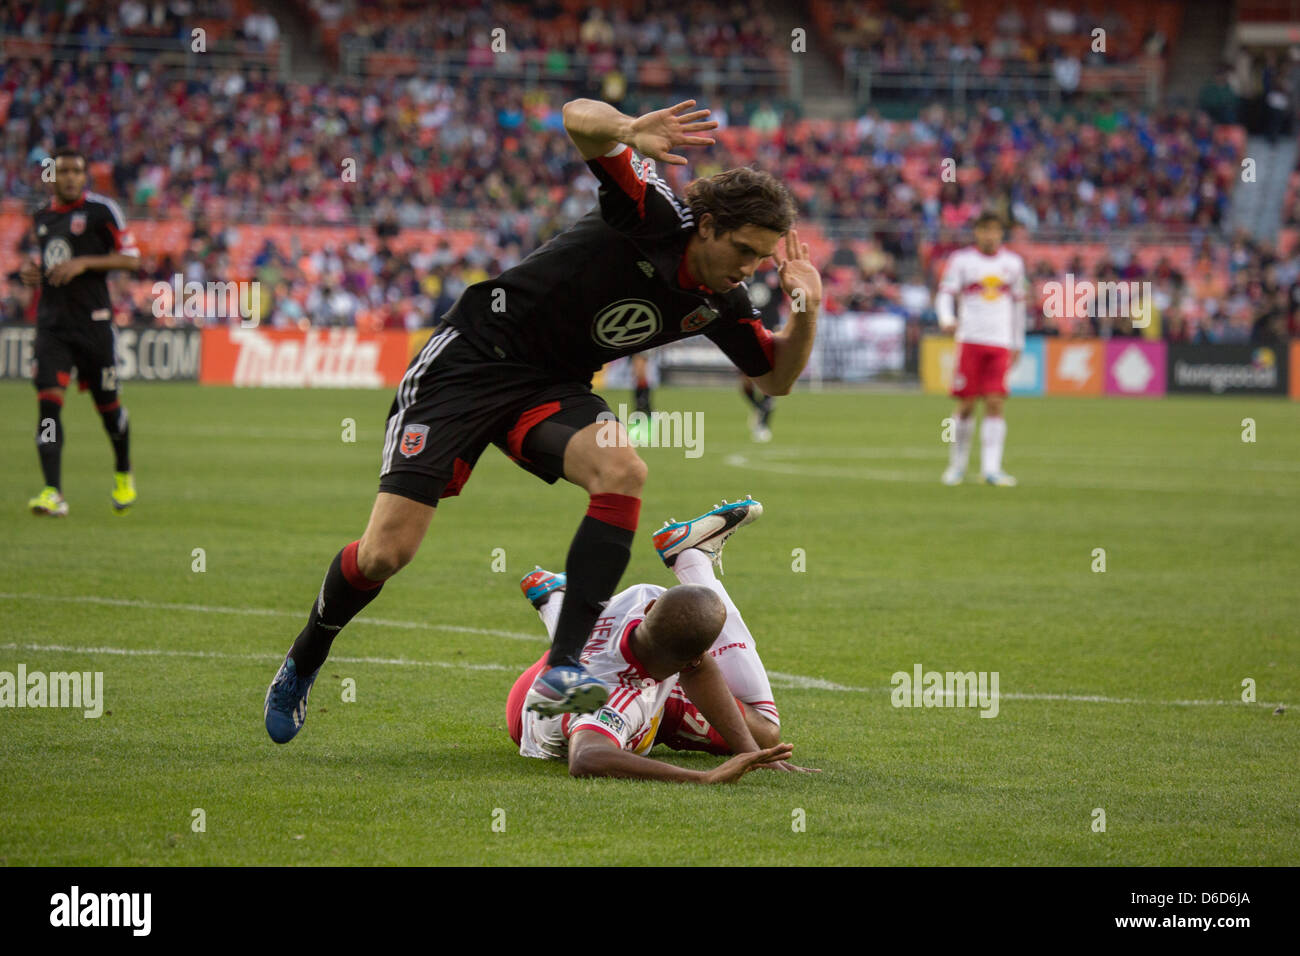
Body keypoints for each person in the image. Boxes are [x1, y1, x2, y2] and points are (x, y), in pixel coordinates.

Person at [264, 97, 822, 744]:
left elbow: (775, 377)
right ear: (708, 226)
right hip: (470, 361)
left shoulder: (723, 301)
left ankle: (563, 667)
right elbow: (579, 117)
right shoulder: (656, 212)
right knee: (387, 553)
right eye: (746, 251)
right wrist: (629, 131)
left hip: (550, 388)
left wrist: (806, 308)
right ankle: (305, 657)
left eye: (761, 258)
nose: (751, 268)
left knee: (623, 467)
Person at [508, 497, 814, 782]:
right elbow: (586, 756)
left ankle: (557, 598)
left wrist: (749, 753)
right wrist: (703, 778)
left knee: (755, 741)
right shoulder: (613, 699)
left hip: (560, 670)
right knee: (766, 732)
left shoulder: (644, 598)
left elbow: (698, 666)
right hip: (539, 711)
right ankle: (690, 559)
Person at [20, 145, 140, 517]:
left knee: (109, 411)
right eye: (63, 171)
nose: (70, 177)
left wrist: (84, 263)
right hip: (53, 327)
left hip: (95, 327)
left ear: (85, 176)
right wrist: (32, 274)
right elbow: (50, 264)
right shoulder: (42, 218)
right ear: (51, 176)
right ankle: (51, 490)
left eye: (77, 171)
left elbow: (133, 260)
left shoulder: (102, 212)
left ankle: (123, 474)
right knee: (48, 410)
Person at [936, 211, 1026, 487]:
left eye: (995, 230)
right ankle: (957, 466)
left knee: (996, 402)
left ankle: (991, 469)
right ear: (976, 232)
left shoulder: (1013, 263)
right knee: (966, 404)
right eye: (984, 229)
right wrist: (947, 319)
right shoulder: (962, 261)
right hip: (970, 339)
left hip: (999, 342)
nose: (989, 235)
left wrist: (1018, 341)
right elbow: (944, 294)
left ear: (1001, 233)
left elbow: (1019, 305)